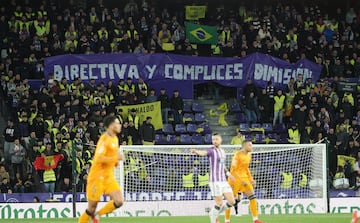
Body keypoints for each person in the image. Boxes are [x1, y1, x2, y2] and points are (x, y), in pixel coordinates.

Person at [78, 115, 124, 223]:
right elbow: (99, 158)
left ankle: (98, 215)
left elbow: (111, 157)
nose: (120, 125)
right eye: (118, 123)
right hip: (97, 176)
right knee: (91, 207)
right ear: (111, 125)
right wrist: (115, 158)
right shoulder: (104, 139)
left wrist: (115, 162)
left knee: (119, 201)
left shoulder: (115, 139)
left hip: (108, 176)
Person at [190, 133, 235, 223]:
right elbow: (203, 153)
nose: (214, 141)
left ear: (220, 140)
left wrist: (229, 174)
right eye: (213, 139)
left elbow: (222, 165)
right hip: (215, 181)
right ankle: (213, 220)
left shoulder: (222, 151)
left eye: (216, 139)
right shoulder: (211, 150)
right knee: (219, 203)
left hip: (223, 181)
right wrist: (196, 151)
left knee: (232, 201)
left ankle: (213, 213)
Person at [225, 140, 264, 223]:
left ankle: (255, 219)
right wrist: (241, 180)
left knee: (252, 197)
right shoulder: (237, 155)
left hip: (245, 179)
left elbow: (246, 168)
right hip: (235, 179)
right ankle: (227, 220)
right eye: (250, 145)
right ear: (244, 146)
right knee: (231, 201)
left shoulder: (249, 155)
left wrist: (251, 179)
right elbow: (233, 170)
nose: (251, 147)